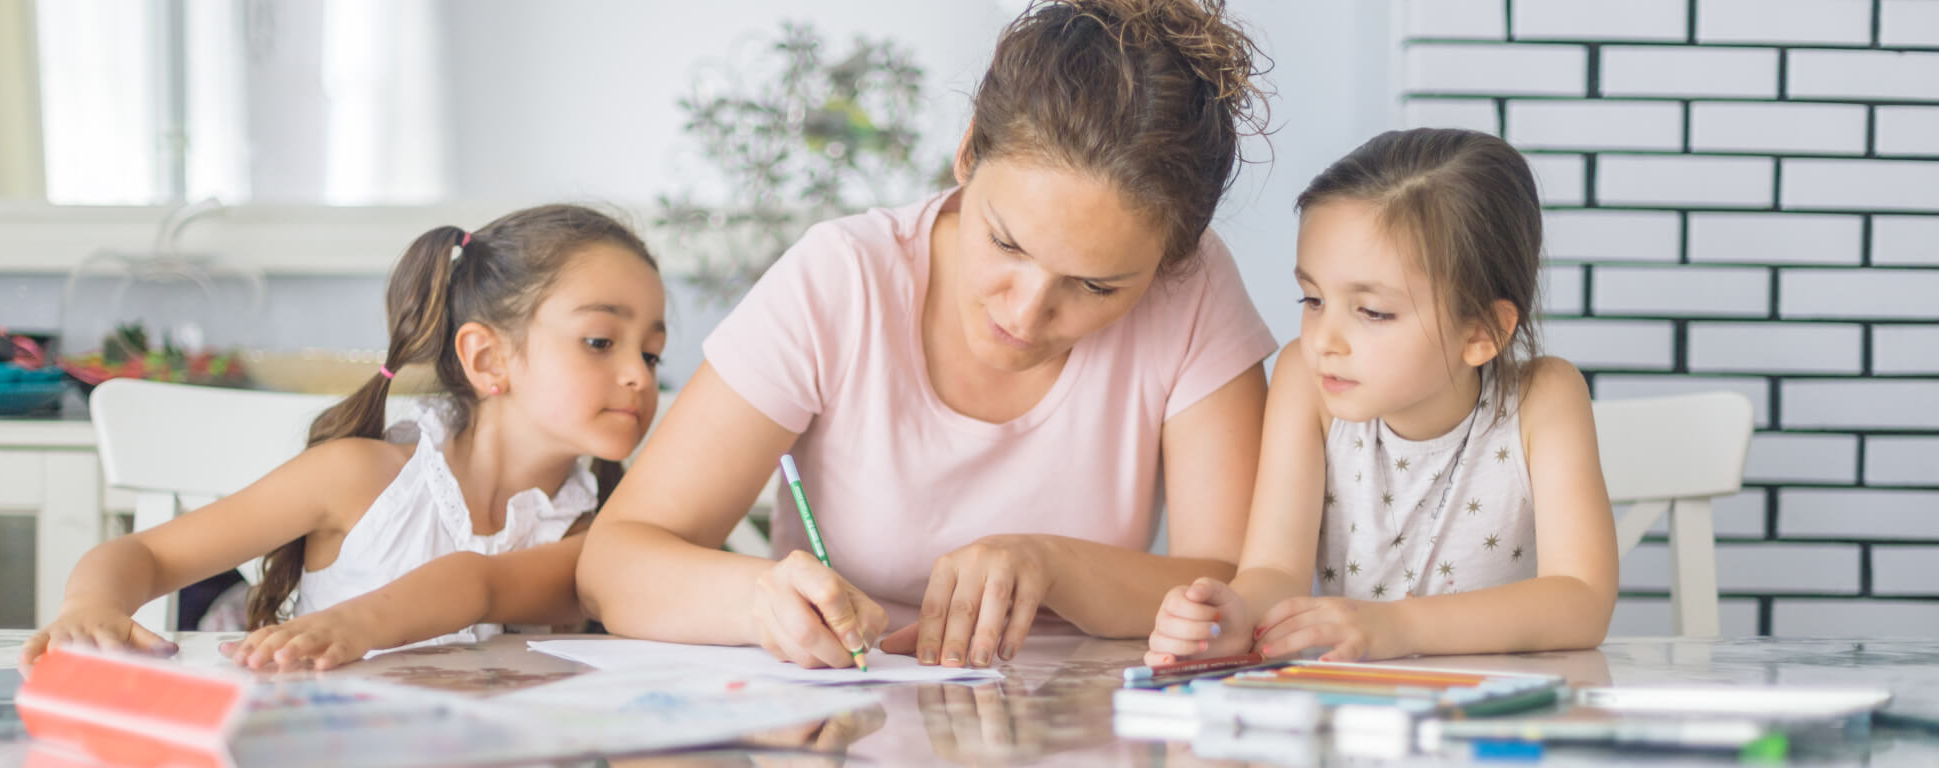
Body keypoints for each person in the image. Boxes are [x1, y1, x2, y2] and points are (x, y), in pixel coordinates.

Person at [581, 0, 1279, 670]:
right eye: (1006, 243)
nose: (1027, 313)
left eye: (1096, 287)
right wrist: (757, 601)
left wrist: (1051, 564)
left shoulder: (1195, 290)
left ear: (1171, 261)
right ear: (969, 150)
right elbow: (615, 565)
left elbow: (1228, 582)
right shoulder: (844, 279)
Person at [23, 205, 667, 670]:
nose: (638, 375)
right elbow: (147, 557)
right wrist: (92, 604)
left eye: (653, 354)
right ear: (488, 360)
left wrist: (357, 625)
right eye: (600, 342)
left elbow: (481, 587)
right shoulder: (360, 477)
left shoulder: (598, 529)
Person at [1147, 128, 1618, 665]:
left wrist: (1401, 625)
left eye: (1372, 312)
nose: (1324, 340)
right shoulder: (1305, 382)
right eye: (1314, 298)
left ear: (1482, 332)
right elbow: (1275, 569)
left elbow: (1582, 600)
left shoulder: (1543, 401)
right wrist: (1232, 614)